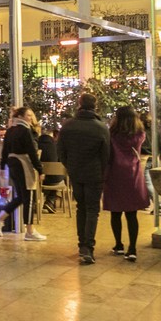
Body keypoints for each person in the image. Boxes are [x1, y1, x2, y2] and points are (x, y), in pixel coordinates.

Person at [58, 92, 111, 265]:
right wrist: (101, 172)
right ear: (95, 106)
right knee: (92, 209)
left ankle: (82, 245)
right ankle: (88, 246)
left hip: (76, 173)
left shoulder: (68, 126)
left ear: (79, 104)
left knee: (81, 208)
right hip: (94, 174)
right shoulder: (101, 128)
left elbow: (61, 152)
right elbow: (106, 155)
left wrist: (71, 167)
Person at [0, 106, 45, 241]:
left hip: (12, 164)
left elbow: (5, 150)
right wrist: (40, 169)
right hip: (24, 165)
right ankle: (30, 231)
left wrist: (3, 166)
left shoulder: (11, 130)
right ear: (20, 116)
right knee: (29, 197)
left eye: (31, 115)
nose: (30, 118)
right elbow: (32, 152)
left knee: (21, 196)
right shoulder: (25, 131)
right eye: (28, 115)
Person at [103, 106, 149, 262]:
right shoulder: (139, 135)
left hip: (115, 174)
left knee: (115, 213)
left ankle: (118, 245)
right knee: (132, 214)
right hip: (132, 175)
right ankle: (133, 248)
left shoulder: (112, 135)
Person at [37, 124, 62, 214]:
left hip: (39, 178)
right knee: (57, 177)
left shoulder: (36, 145)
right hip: (54, 179)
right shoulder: (57, 146)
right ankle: (50, 201)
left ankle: (37, 203)